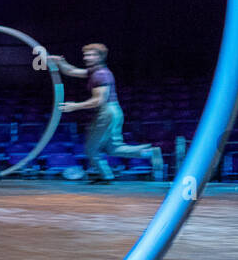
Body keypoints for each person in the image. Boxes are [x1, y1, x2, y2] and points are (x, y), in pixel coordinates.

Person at [51, 44, 162, 183]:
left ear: (100, 57)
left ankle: (105, 176)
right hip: (113, 111)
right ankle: (149, 152)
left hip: (106, 112)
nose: (87, 57)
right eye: (86, 55)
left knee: (91, 149)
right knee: (114, 148)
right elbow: (72, 71)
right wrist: (60, 62)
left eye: (92, 55)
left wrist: (75, 106)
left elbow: (99, 100)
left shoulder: (101, 74)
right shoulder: (95, 71)